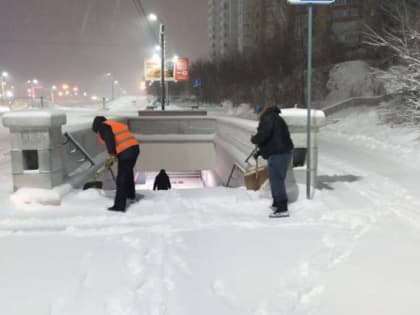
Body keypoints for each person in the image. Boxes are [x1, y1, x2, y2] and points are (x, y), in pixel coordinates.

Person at [251, 105, 294, 216]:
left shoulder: (268, 118)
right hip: (282, 152)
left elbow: (263, 135)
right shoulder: (275, 118)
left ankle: (282, 208)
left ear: (261, 112)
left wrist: (254, 139)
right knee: (275, 179)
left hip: (278, 154)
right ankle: (277, 203)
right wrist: (261, 152)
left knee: (276, 180)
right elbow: (273, 140)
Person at [92, 116, 140, 212]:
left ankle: (119, 206)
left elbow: (110, 139)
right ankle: (130, 195)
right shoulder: (114, 125)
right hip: (134, 149)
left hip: (126, 152)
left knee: (121, 178)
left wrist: (112, 154)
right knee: (128, 173)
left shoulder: (103, 127)